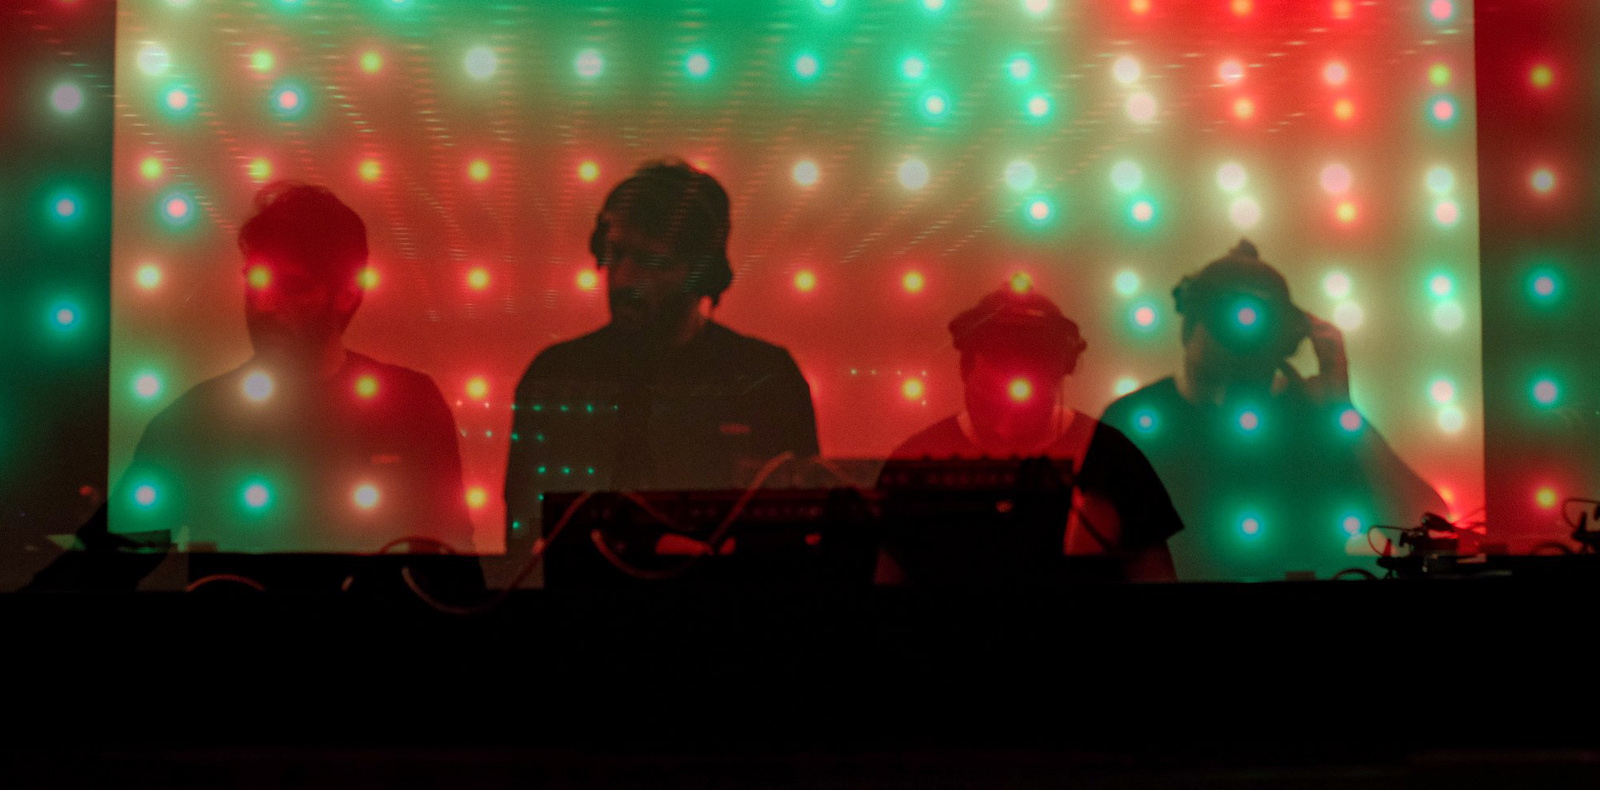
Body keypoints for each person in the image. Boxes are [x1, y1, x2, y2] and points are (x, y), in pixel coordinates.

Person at [104, 182, 476, 556]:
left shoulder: (411, 408)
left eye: (293, 287)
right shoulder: (196, 419)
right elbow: (103, 568)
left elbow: (453, 566)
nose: (264, 305)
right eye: (256, 282)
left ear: (347, 295)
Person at [504, 159, 819, 556]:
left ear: (701, 272)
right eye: (616, 254)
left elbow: (804, 538)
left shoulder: (767, 379)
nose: (624, 279)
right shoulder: (556, 377)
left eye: (652, 262)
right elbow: (524, 537)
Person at [1101, 240, 1446, 581]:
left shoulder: (1314, 417)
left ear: (1285, 339)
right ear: (1189, 326)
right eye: (1226, 319)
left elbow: (1431, 525)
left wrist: (1342, 410)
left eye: (1258, 323)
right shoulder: (1134, 422)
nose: (1241, 340)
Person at [878, 285, 1184, 583]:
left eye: (1026, 404)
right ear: (964, 370)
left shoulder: (1111, 458)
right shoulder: (917, 460)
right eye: (990, 403)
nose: (1006, 426)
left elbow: (1156, 579)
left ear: (1060, 370)